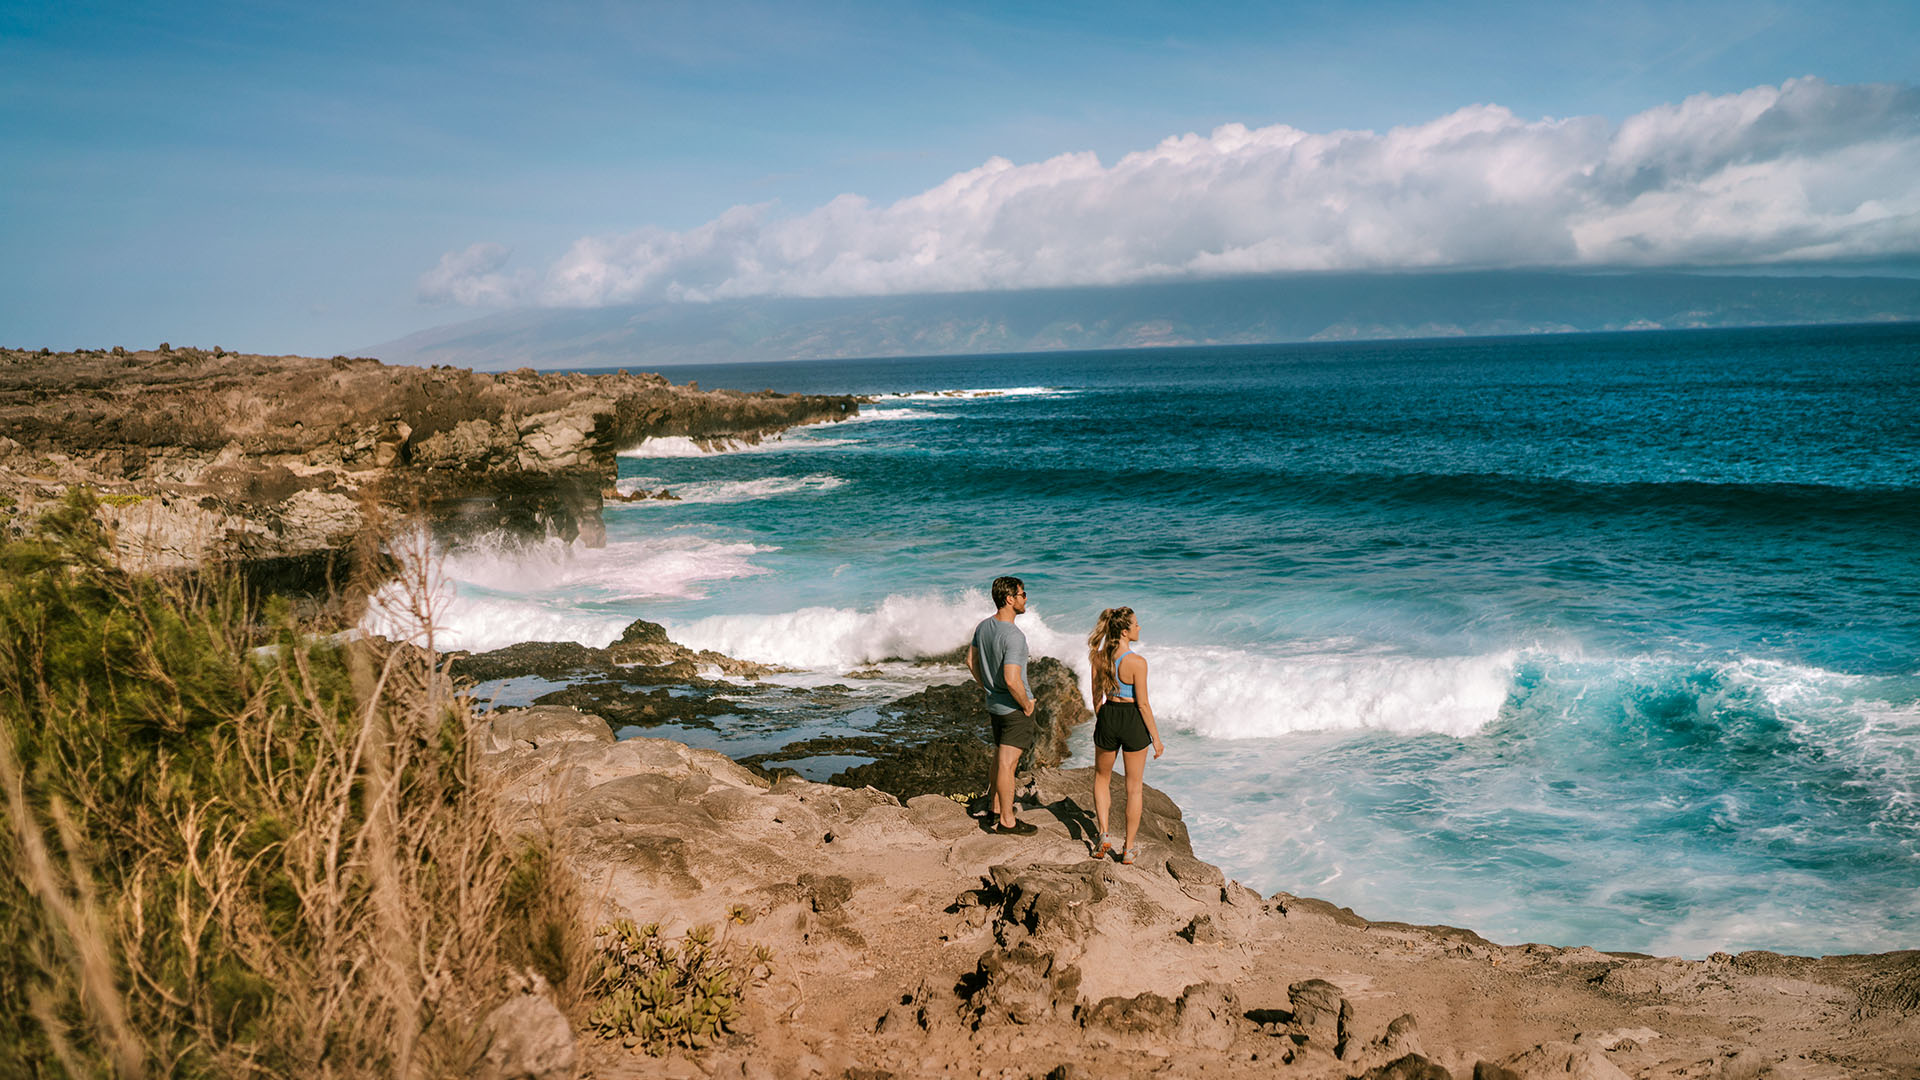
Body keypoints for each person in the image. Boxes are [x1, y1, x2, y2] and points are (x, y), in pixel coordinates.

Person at [1086, 606, 1164, 864]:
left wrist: (1105, 720)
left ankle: (1103, 834)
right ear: (1124, 631)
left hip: (1109, 715)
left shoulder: (1098, 658)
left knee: (1101, 778)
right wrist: (1156, 738)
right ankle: (1128, 849)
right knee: (1134, 788)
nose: (1139, 628)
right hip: (1132, 720)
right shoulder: (1137, 663)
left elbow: (1097, 698)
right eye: (1136, 624)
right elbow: (1142, 704)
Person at [967, 576, 1038, 836]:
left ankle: (995, 807)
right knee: (1008, 765)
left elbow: (970, 661)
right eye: (1023, 594)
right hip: (1013, 710)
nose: (1025, 598)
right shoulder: (1014, 636)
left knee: (999, 757)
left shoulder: (984, 626)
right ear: (1010, 599)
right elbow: (1011, 679)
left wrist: (987, 686)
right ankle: (1008, 821)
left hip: (995, 706)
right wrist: (1027, 705)